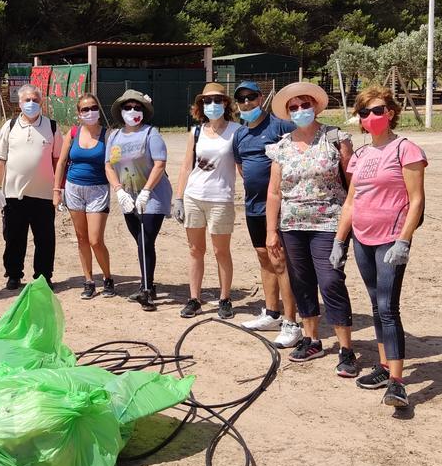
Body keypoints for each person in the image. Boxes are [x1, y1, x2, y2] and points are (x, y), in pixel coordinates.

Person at [333, 86, 427, 409]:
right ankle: (385, 367)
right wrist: (339, 241)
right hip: (362, 238)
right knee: (375, 304)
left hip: (390, 240)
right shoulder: (359, 156)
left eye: (377, 110)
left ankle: (398, 383)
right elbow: (350, 202)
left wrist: (404, 240)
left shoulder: (406, 150)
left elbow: (416, 200)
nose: (371, 117)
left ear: (390, 113)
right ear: (359, 121)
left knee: (388, 306)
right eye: (364, 113)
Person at [265, 82, 359, 377]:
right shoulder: (281, 146)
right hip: (292, 225)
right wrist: (271, 230)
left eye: (305, 105)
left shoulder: (335, 138)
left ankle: (346, 348)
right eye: (294, 107)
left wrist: (350, 220)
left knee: (330, 280)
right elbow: (274, 193)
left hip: (329, 222)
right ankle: (312, 339)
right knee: (301, 282)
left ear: (316, 107)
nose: (300, 111)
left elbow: (352, 181)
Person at [231, 81, 302, 348]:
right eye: (241, 99)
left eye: (251, 97)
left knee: (281, 261)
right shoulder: (240, 134)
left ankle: (291, 321)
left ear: (261, 97)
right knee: (263, 257)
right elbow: (241, 166)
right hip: (253, 207)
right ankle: (271, 312)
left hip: (279, 208)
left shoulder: (280, 126)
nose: (247, 103)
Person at [174, 83, 243, 320]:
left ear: (225, 103)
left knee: (220, 251)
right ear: (201, 105)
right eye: (207, 101)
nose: (212, 105)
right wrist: (179, 198)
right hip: (194, 196)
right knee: (195, 250)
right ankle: (195, 298)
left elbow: (242, 166)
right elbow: (186, 166)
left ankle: (225, 298)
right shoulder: (196, 132)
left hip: (220, 199)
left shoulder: (236, 131)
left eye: (217, 100)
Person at [105, 89, 172, 312]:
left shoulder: (150, 133)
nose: (133, 111)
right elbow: (108, 165)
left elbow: (160, 164)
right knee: (140, 241)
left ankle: (146, 290)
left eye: (137, 107)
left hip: (151, 195)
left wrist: (145, 191)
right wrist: (118, 191)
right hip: (127, 197)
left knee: (145, 240)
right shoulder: (114, 136)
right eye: (128, 107)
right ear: (121, 111)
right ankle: (148, 284)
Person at [0, 84, 62, 291]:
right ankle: (14, 275)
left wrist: (59, 188)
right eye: (27, 100)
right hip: (14, 195)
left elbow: (59, 159)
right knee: (14, 237)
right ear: (19, 103)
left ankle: (43, 276)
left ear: (41, 103)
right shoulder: (10, 126)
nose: (31, 104)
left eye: (35, 100)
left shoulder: (52, 127)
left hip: (44, 195)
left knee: (45, 239)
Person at [54, 94, 114, 299]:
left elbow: (116, 163)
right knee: (82, 238)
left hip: (98, 190)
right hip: (74, 189)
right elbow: (61, 163)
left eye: (93, 108)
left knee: (96, 239)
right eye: (85, 110)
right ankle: (88, 280)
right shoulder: (72, 133)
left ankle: (107, 277)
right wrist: (57, 191)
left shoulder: (108, 135)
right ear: (79, 114)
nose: (90, 113)